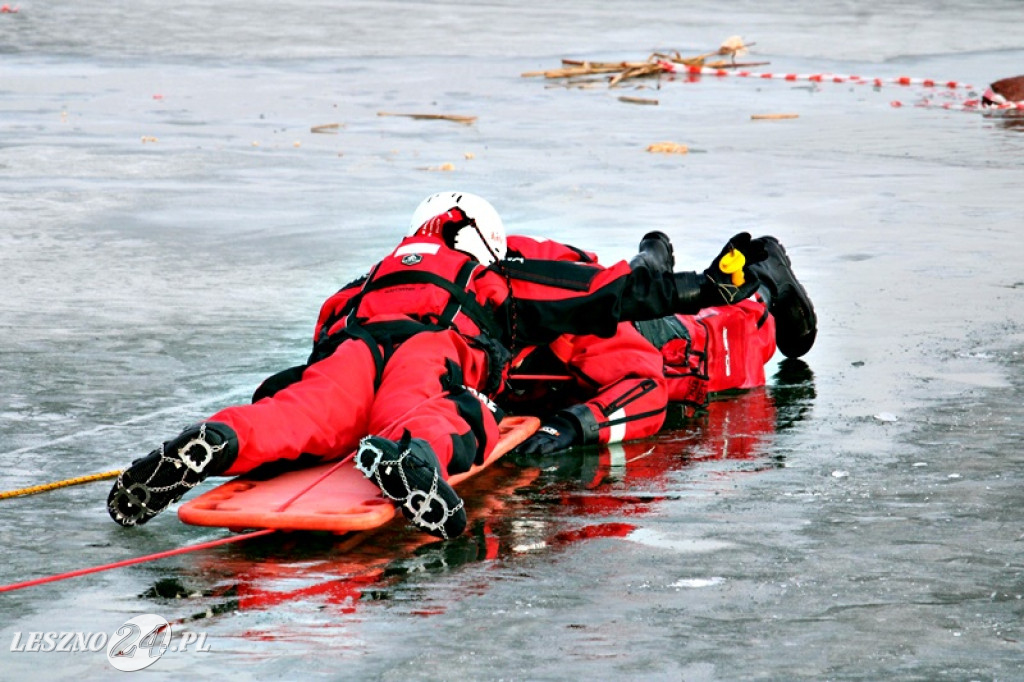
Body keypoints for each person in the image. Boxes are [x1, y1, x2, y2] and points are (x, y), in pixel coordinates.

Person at [107, 191, 771, 539]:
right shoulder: (487, 273)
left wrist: (285, 398)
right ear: (481, 237)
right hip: (436, 345)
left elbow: (318, 351)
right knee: (446, 409)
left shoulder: (365, 280)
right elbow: (602, 293)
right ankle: (411, 460)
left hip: (354, 345)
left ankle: (221, 439)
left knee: (300, 412)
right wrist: (702, 287)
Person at [501, 232, 816, 456]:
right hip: (611, 314)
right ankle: (646, 268)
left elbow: (647, 389)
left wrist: (572, 426)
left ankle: (765, 278)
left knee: (732, 340)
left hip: (662, 344)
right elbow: (579, 262)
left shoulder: (575, 333)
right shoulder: (483, 276)